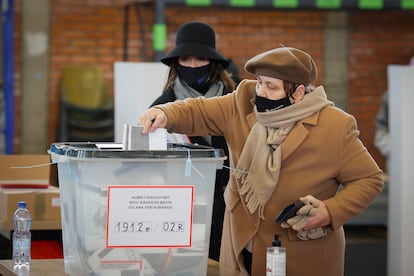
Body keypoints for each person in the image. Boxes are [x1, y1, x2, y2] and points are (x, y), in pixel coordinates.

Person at [140, 46, 384, 275]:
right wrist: (164, 112)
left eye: (271, 87)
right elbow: (198, 110)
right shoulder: (241, 104)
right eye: (260, 83)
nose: (261, 94)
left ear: (298, 92)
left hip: (301, 252)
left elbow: (369, 179)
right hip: (240, 249)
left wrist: (330, 212)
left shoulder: (335, 125)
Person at [150, 21, 237, 261]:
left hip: (234, 201)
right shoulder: (161, 108)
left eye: (200, 59)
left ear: (214, 63)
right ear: (176, 64)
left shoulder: (236, 99)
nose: (192, 66)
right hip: (183, 204)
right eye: (185, 60)